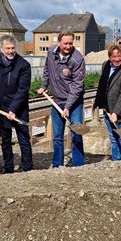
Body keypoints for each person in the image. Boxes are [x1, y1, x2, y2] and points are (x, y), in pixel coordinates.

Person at [0, 35, 33, 173]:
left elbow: (23, 90)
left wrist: (13, 109)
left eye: (13, 48)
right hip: (0, 106)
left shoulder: (23, 65)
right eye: (8, 48)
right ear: (1, 48)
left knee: (23, 138)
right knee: (5, 140)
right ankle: (9, 167)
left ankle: (28, 168)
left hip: (19, 107)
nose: (11, 51)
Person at [37, 31, 86, 167]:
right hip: (57, 99)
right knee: (57, 135)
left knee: (76, 132)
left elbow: (77, 87)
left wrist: (67, 107)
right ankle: (57, 164)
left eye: (71, 43)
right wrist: (43, 86)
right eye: (65, 43)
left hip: (74, 102)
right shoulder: (51, 52)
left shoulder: (77, 59)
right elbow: (47, 70)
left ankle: (78, 164)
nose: (68, 46)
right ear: (59, 42)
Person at [94, 45, 121, 160]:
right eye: (114, 56)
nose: (117, 59)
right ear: (109, 57)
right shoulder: (106, 66)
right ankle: (116, 161)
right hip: (108, 109)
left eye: (119, 56)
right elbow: (104, 86)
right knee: (113, 138)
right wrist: (101, 103)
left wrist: (116, 113)